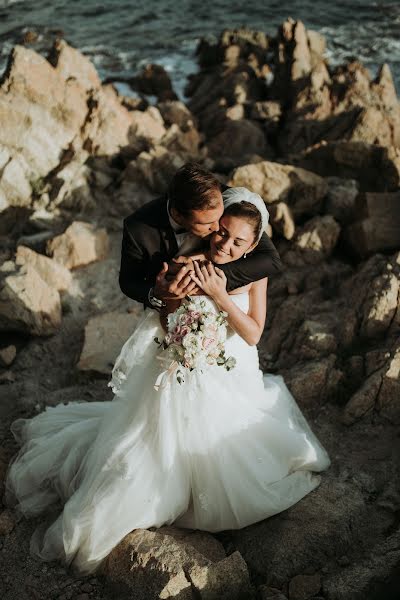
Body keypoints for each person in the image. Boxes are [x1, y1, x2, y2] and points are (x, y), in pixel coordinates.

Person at [4, 187, 330, 577]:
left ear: (254, 244)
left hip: (233, 369)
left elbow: (253, 334)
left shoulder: (255, 272)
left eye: (238, 240)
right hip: (181, 369)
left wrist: (219, 295)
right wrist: (176, 315)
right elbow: (163, 319)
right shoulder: (187, 260)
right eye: (221, 232)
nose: (225, 244)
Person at [118, 162, 283, 308]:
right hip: (166, 311)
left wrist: (201, 272)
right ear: (178, 215)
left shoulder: (226, 199)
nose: (218, 227)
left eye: (219, 217)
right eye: (207, 224)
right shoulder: (138, 229)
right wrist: (156, 293)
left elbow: (271, 260)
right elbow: (128, 282)